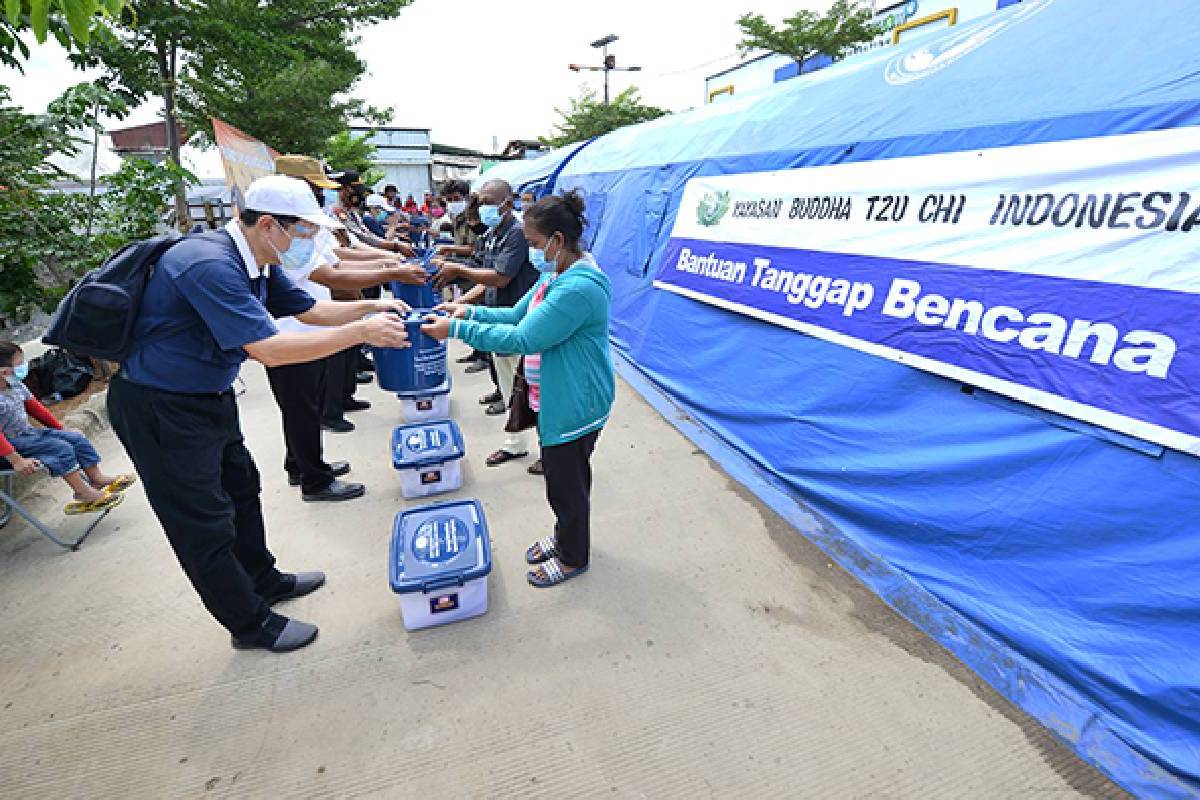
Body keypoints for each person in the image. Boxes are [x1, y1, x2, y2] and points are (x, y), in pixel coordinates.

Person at [108, 174, 412, 654]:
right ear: (269, 224)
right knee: (201, 521)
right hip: (160, 406)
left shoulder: (257, 261)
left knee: (242, 490)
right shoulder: (208, 264)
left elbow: (310, 311)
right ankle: (249, 624)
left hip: (208, 395)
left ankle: (263, 579)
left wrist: (375, 305)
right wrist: (362, 333)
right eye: (303, 231)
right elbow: (267, 349)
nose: (307, 240)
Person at [423, 190, 613, 588]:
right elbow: (514, 314)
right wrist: (468, 310)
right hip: (557, 398)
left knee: (567, 486)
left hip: (575, 404)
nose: (531, 252)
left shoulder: (578, 288)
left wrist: (456, 329)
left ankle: (573, 556)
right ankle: (566, 536)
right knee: (566, 480)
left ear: (557, 241)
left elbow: (524, 338)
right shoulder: (554, 276)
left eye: (534, 244)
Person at [270, 155, 423, 499]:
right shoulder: (286, 235)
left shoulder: (300, 228)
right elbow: (329, 273)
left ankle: (303, 464)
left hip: (310, 322)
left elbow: (335, 262)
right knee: (301, 408)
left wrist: (384, 268)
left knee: (304, 407)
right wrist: (389, 273)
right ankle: (315, 480)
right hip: (292, 335)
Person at [432, 180, 540, 466]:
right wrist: (462, 303)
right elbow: (484, 274)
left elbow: (500, 277)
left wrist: (457, 272)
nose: (484, 206)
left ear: (508, 201)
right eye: (481, 201)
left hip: (518, 319)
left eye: (491, 201)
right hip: (498, 314)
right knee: (510, 388)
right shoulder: (493, 232)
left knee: (533, 392)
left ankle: (549, 450)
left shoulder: (516, 234)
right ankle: (515, 443)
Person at [0, 342, 133, 515]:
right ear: (4, 372)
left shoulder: (16, 386)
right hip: (8, 448)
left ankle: (97, 479)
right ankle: (83, 493)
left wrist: (60, 429)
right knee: (60, 448)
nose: (24, 367)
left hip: (27, 435)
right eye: (20, 364)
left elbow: (36, 409)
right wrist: (17, 460)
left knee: (75, 439)